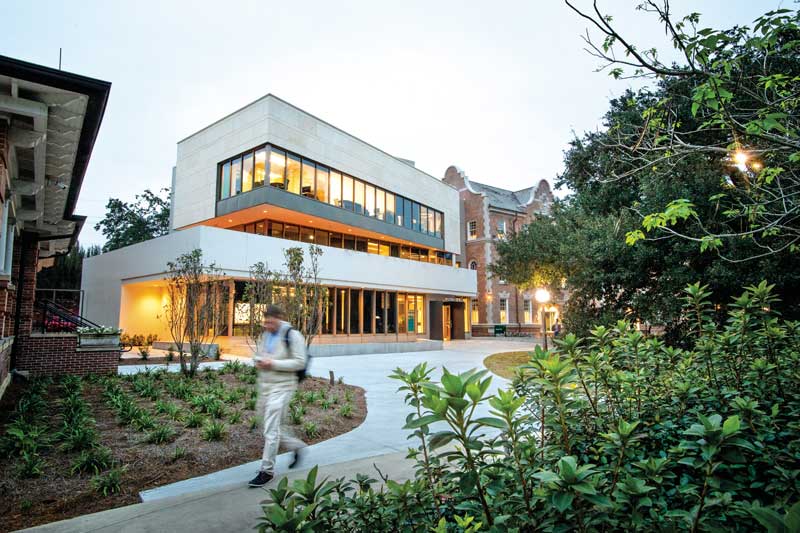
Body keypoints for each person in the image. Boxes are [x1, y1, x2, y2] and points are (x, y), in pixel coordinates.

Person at [248, 305, 308, 488]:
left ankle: (267, 470)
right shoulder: (265, 335)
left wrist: (272, 363)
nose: (267, 325)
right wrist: (258, 360)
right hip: (265, 387)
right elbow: (258, 355)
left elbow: (300, 362)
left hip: (283, 387)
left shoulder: (292, 335)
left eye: (270, 322)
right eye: (265, 322)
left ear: (279, 318)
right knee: (267, 426)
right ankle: (297, 446)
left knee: (271, 429)